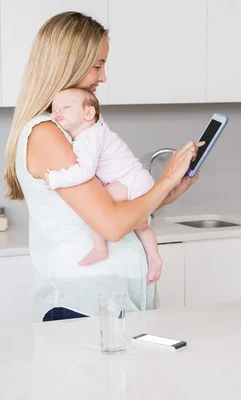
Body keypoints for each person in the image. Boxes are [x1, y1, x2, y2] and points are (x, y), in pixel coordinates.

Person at [3, 11, 202, 322]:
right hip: (80, 305)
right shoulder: (46, 133)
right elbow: (112, 225)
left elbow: (114, 207)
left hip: (109, 303)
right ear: (67, 63)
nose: (103, 77)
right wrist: (163, 180)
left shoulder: (72, 130)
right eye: (98, 65)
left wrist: (169, 192)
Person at [43, 87, 169, 285]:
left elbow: (85, 171)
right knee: (142, 227)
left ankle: (100, 248)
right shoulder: (94, 131)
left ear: (89, 113)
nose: (57, 112)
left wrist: (55, 179)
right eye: (54, 109)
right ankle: (154, 258)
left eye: (66, 107)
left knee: (97, 210)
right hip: (136, 179)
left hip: (129, 181)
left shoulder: (89, 137)